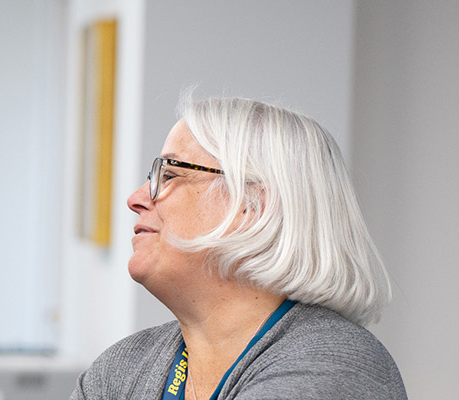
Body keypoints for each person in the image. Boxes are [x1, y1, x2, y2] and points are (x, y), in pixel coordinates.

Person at [71, 95, 405, 399]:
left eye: (170, 175)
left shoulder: (334, 364)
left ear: (253, 206)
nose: (136, 198)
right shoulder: (119, 369)